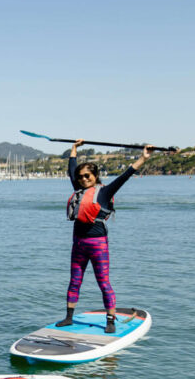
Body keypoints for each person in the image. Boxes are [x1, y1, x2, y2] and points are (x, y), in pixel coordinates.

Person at [58, 140, 154, 333]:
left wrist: (144, 157)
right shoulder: (78, 190)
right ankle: (69, 317)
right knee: (75, 280)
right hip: (78, 243)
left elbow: (126, 175)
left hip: (97, 244)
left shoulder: (105, 191)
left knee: (103, 282)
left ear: (95, 176)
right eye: (81, 177)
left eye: (87, 176)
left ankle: (110, 320)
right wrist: (75, 148)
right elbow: (71, 168)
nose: (83, 179)